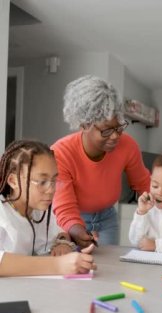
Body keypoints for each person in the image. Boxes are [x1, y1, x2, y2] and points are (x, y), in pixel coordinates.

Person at [51, 75, 150, 248]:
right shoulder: (61, 152)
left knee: (108, 268)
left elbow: (143, 184)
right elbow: (65, 206)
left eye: (119, 127)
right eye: (106, 131)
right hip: (71, 221)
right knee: (77, 271)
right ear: (84, 125)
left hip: (107, 218)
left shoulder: (127, 145)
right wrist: (77, 231)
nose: (115, 136)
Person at [0, 140, 96, 277]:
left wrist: (62, 244)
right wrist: (58, 265)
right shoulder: (2, 212)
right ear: (13, 181)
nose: (51, 190)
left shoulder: (39, 211)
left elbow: (58, 234)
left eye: (54, 181)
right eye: (42, 182)